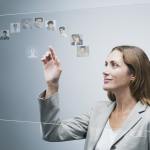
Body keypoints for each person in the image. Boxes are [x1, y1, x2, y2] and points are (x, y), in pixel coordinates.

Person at [38, 45, 150, 150]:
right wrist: (52, 85)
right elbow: (51, 133)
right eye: (106, 64)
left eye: (114, 65)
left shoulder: (147, 117)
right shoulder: (98, 111)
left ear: (133, 74)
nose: (105, 71)